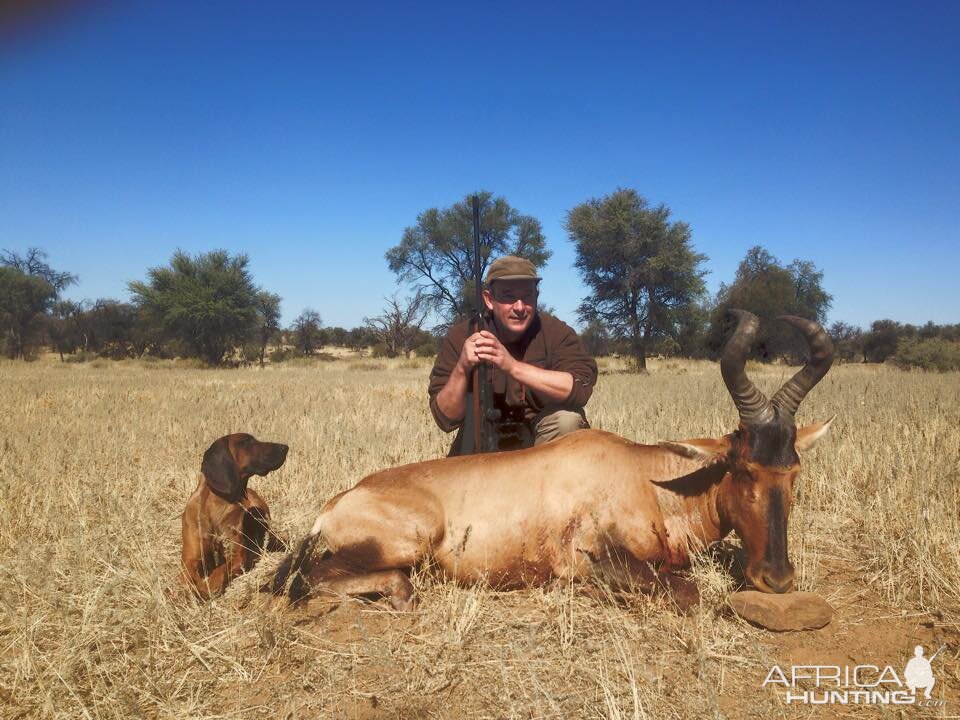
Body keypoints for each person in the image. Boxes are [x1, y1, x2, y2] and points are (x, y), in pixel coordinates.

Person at [429, 255, 598, 455]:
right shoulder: (462, 336)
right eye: (508, 296)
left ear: (536, 296)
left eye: (527, 296)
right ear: (489, 300)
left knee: (567, 421)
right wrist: (462, 368)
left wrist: (511, 366)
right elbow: (445, 419)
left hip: (540, 451)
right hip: (479, 450)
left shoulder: (556, 332)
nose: (519, 307)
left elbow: (579, 388)